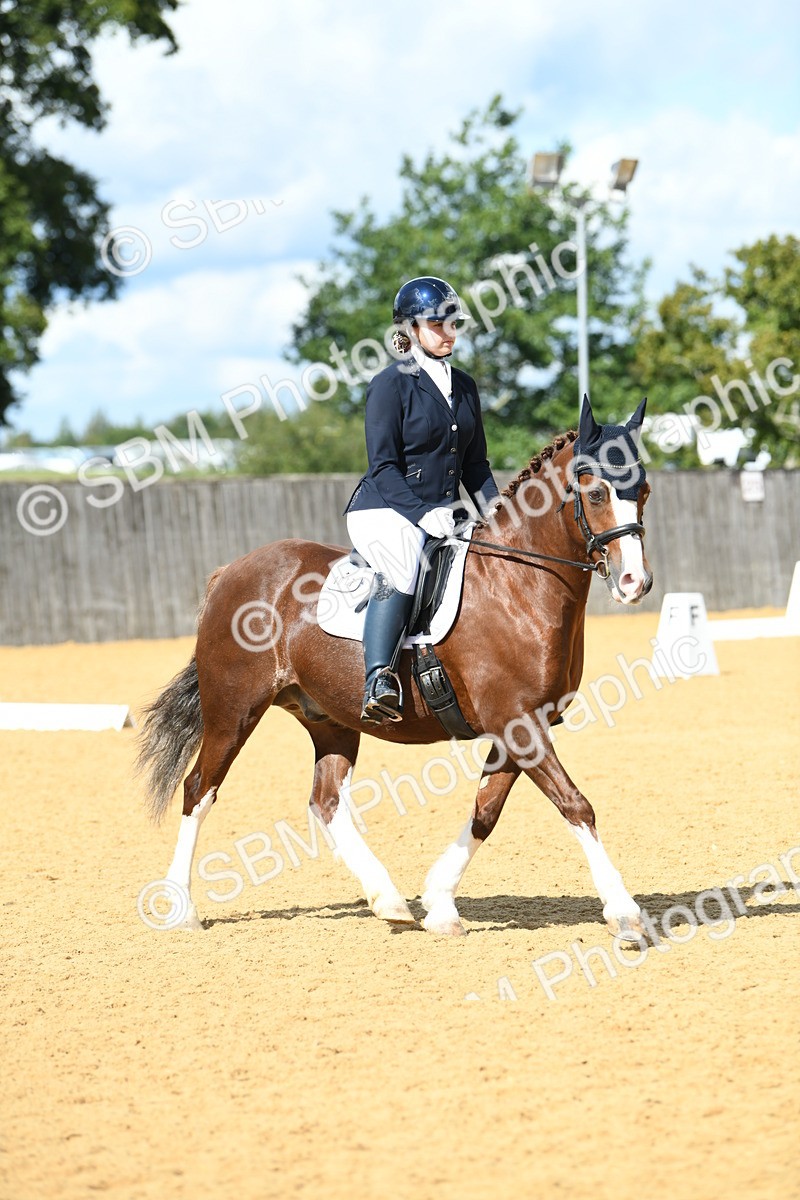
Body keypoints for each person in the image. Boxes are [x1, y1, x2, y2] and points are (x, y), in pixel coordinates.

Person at [344, 276, 500, 724]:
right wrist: (420, 513)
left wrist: (498, 515)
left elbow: (476, 465)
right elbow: (383, 467)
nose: (449, 332)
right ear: (410, 328)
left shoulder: (466, 386)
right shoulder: (390, 385)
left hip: (443, 513)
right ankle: (378, 679)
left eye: (454, 323)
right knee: (405, 556)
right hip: (384, 509)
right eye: (438, 323)